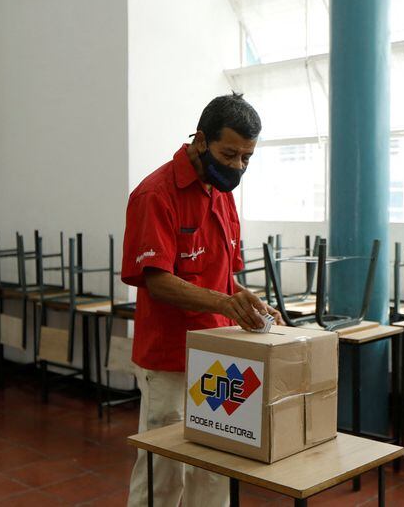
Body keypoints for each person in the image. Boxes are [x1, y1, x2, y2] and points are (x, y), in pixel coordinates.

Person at [122, 93, 283, 507]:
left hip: (219, 356)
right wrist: (225, 303)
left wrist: (247, 300)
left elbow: (222, 275)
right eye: (230, 154)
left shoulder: (222, 194)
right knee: (164, 471)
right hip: (170, 357)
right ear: (200, 140)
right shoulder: (155, 194)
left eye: (247, 158)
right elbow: (157, 281)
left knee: (216, 466)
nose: (238, 166)